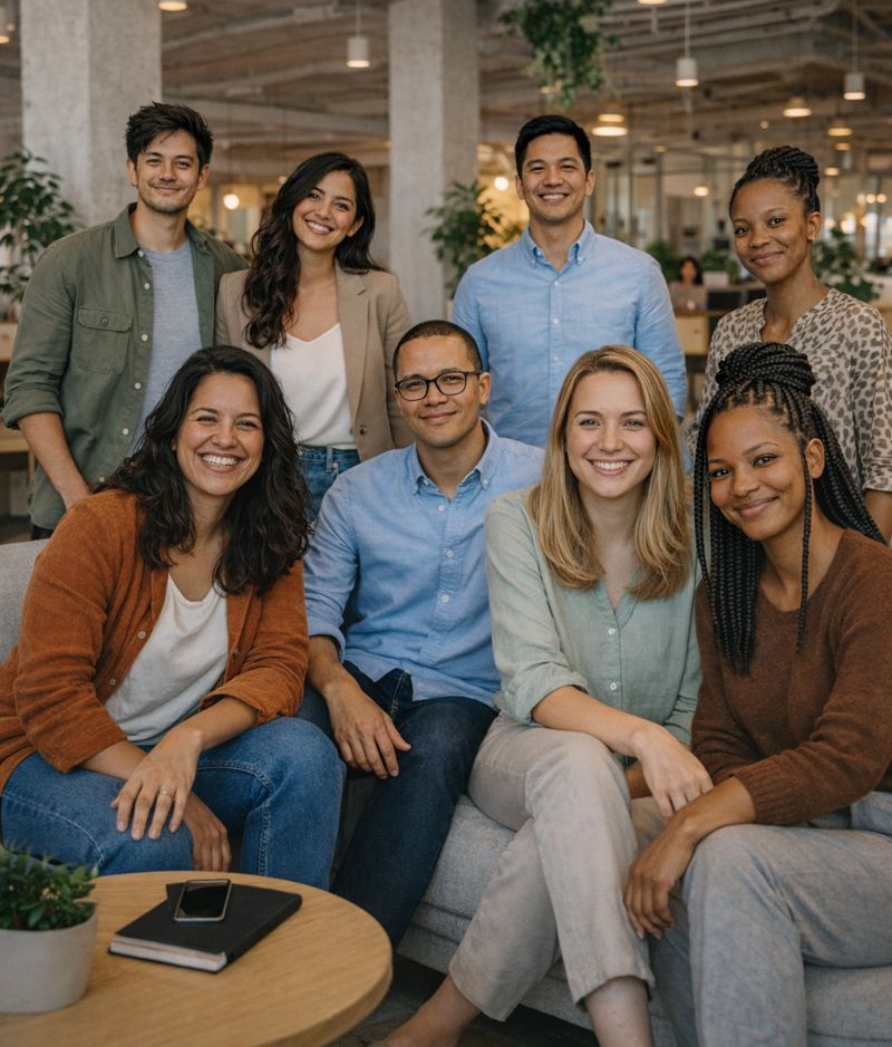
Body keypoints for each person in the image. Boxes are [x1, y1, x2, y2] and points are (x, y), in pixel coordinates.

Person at [379, 346, 707, 1047]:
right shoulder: (515, 520)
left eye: (632, 423)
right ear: (563, 436)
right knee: (579, 768)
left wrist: (641, 759)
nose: (610, 443)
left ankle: (433, 1027)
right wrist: (641, 737)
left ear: (660, 435)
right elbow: (533, 681)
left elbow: (688, 714)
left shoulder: (697, 539)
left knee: (577, 806)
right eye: (589, 422)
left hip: (645, 779)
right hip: (522, 753)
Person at [626, 342, 892, 1047]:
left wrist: (692, 825)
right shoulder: (726, 598)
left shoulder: (873, 579)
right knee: (639, 829)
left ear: (811, 458)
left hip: (880, 838)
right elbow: (718, 745)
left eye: (763, 459)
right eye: (719, 471)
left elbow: (849, 756)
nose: (742, 484)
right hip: (805, 831)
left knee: (720, 851)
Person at [0, 346, 344, 886]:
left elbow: (279, 668)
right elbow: (49, 696)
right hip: (43, 756)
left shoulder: (269, 537)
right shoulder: (100, 526)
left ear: (267, 444)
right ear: (172, 432)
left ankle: (279, 953)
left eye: (246, 424)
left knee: (306, 757)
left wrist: (186, 741)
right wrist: (174, 794)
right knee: (157, 836)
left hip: (173, 748)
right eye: (206, 418)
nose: (225, 439)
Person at [298, 319, 543, 946]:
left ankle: (343, 957)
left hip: (466, 695)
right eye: (415, 384)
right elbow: (315, 612)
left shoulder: (544, 483)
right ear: (399, 399)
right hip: (365, 673)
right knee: (286, 735)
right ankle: (255, 930)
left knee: (430, 749)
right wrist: (338, 689)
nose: (434, 396)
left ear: (483, 386)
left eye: (451, 379)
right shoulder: (357, 492)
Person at [3, 102, 246, 538]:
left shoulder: (225, 268)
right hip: (83, 503)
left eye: (182, 163)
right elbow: (29, 386)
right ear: (133, 170)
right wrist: (78, 502)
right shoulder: (70, 262)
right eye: (154, 160)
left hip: (187, 507)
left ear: (202, 176)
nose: (167, 173)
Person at [686, 145, 892, 539]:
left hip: (840, 547)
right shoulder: (731, 330)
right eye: (743, 229)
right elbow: (705, 444)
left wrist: (862, 574)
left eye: (775, 221)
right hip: (746, 549)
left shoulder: (857, 325)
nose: (759, 239)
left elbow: (884, 468)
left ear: (812, 226)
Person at [451, 114, 686, 447]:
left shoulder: (638, 273)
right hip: (513, 477)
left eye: (567, 167)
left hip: (611, 470)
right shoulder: (479, 282)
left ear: (589, 181)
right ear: (519, 184)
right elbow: (462, 388)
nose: (552, 180)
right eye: (537, 169)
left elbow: (667, 385)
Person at [215, 151, 412, 515]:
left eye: (341, 205)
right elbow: (221, 395)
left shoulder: (381, 292)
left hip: (361, 474)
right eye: (314, 196)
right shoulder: (236, 291)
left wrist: (410, 480)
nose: (323, 213)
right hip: (267, 475)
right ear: (292, 201)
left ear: (354, 224)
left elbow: (401, 398)